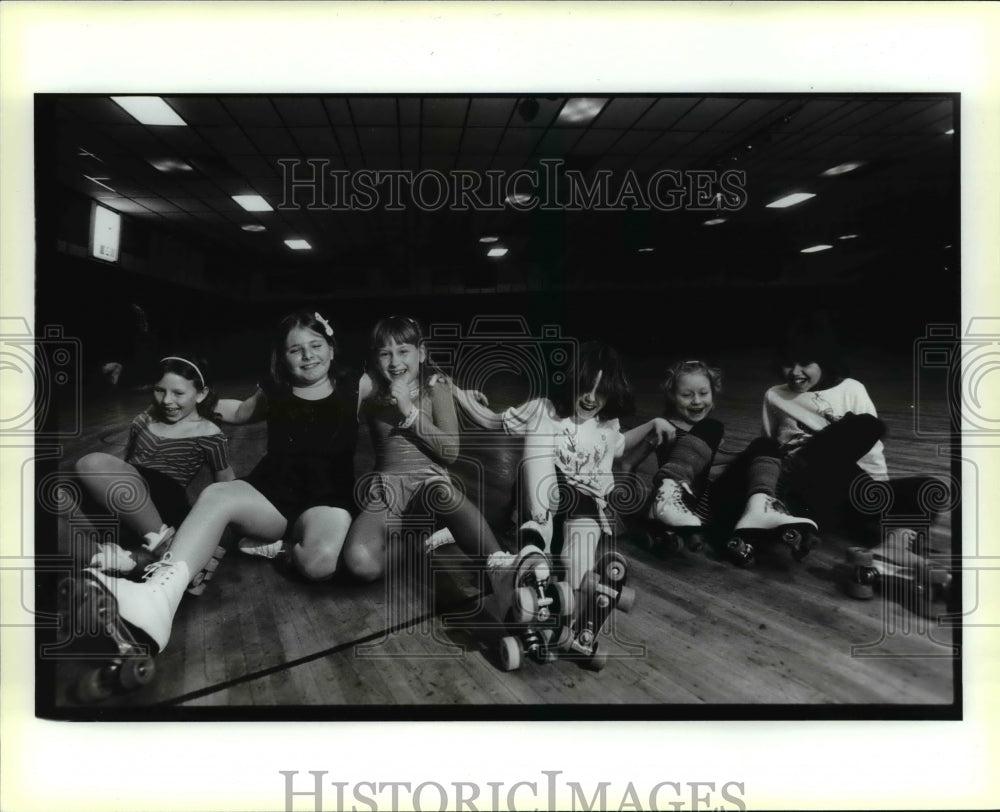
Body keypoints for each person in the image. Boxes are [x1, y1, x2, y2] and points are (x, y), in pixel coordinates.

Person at [75, 310, 359, 655]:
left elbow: (404, 378)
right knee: (218, 493)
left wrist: (432, 382)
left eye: (316, 345)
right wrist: (195, 401)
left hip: (327, 500)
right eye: (295, 349)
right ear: (282, 358)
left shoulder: (356, 385)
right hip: (273, 492)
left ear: (331, 348)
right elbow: (240, 412)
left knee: (319, 564)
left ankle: (280, 547)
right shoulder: (275, 390)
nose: (308, 355)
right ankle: (157, 597)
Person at [341, 316, 548, 627]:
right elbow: (335, 411)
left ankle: (501, 570)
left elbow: (449, 451)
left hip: (430, 486)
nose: (395, 361)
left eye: (404, 351)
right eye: (385, 353)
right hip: (388, 490)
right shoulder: (370, 389)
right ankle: (416, 541)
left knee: (442, 489)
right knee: (359, 563)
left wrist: (410, 411)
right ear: (374, 358)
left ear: (421, 353)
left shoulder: (434, 388)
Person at [625, 358, 818, 564]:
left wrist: (755, 457)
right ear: (672, 396)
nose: (697, 401)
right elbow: (627, 461)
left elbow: (715, 460)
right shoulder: (665, 427)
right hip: (680, 505)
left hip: (708, 509)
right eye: (686, 395)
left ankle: (763, 512)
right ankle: (678, 514)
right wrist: (629, 505)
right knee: (712, 427)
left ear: (713, 394)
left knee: (765, 445)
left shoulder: (710, 433)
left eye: (703, 393)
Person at [76, 355, 234, 575]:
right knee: (56, 497)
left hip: (165, 499)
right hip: (133, 496)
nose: (167, 400)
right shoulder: (143, 420)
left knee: (90, 463)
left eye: (178, 393)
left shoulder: (210, 434)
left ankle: (165, 547)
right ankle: (116, 555)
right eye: (160, 390)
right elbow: (128, 464)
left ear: (201, 394)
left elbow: (226, 484)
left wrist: (216, 531)